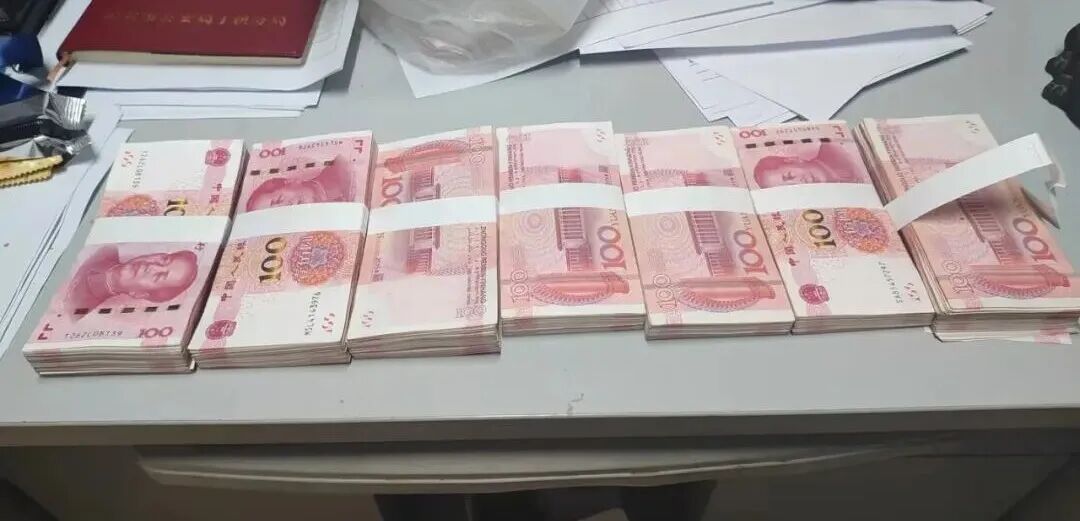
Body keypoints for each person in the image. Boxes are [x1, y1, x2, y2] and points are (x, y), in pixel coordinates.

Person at [64, 246, 199, 315]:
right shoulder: (105, 249)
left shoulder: (76, 310)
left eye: (159, 276)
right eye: (164, 259)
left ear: (139, 294)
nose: (152, 266)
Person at [244, 155, 354, 211]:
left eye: (279, 200)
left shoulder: (342, 167)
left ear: (292, 181)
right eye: (279, 214)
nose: (287, 207)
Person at [752, 141, 862, 188]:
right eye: (790, 187)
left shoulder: (837, 149)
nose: (799, 184)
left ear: (793, 160)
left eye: (790, 176)